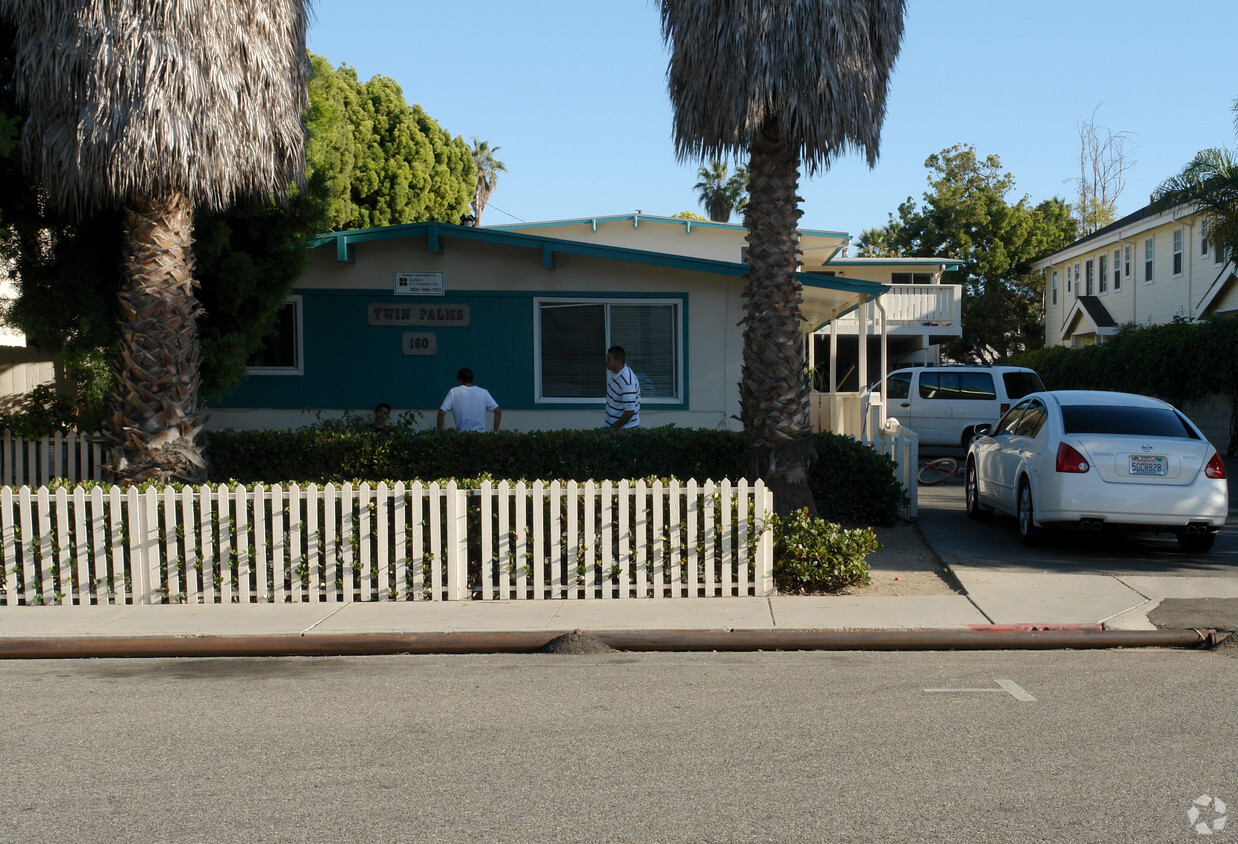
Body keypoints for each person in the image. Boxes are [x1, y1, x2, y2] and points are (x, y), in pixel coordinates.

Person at [437, 368, 501, 432]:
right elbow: (498, 411)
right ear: (473, 381)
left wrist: (440, 433)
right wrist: (495, 432)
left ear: (459, 381)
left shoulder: (453, 392)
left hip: (462, 437)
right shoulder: (484, 392)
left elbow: (441, 413)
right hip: (481, 437)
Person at [604, 345, 640, 429]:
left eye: (609, 359)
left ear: (618, 362)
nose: (606, 361)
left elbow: (629, 412)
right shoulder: (614, 373)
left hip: (624, 432)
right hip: (612, 427)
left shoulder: (627, 382)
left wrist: (612, 429)